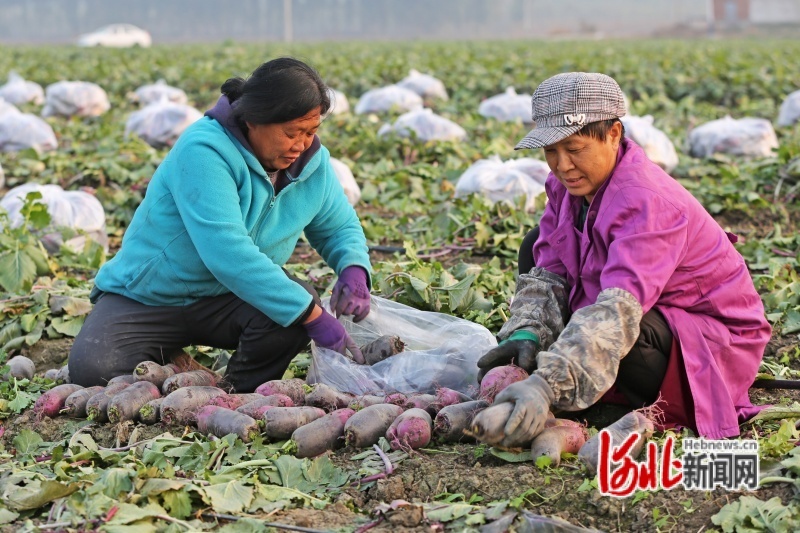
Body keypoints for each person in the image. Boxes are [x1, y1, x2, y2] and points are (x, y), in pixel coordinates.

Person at [476, 72, 771, 443]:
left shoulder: (648, 203)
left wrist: (547, 386)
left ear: (614, 134)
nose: (562, 165)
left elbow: (618, 312)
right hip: (635, 312)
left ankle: (616, 398)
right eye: (551, 151)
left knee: (629, 331)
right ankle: (573, 373)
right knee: (534, 244)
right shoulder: (565, 186)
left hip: (708, 344)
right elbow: (549, 265)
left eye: (575, 148)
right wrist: (527, 331)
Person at [69, 57, 372, 392]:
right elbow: (227, 251)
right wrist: (314, 317)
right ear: (256, 119)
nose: (301, 144)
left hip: (228, 297)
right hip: (152, 296)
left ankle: (233, 393)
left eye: (310, 132)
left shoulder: (312, 164)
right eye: (291, 133)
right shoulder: (204, 149)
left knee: (292, 308)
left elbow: (338, 226)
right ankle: (168, 355)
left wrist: (354, 267)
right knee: (92, 369)